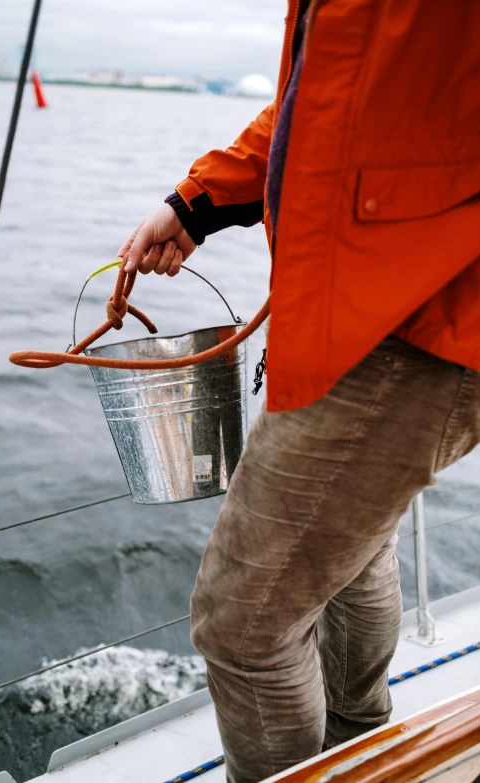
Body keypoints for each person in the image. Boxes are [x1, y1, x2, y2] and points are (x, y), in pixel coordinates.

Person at [118, 2, 480, 781]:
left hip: (418, 307)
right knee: (353, 545)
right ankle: (361, 747)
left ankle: (352, 744)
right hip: (355, 295)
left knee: (242, 621)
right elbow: (324, 106)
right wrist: (198, 202)